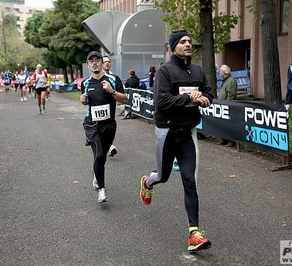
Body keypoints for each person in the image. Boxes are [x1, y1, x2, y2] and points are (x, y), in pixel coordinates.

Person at [139, 30, 213, 251]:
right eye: (182, 42)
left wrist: (205, 100)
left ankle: (194, 234)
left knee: (190, 181)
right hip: (167, 132)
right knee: (163, 176)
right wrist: (189, 97)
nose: (188, 44)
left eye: (189, 41)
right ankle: (148, 182)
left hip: (188, 133)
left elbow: (209, 92)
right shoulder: (165, 71)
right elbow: (161, 101)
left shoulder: (199, 71)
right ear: (173, 47)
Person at [80, 51, 126, 203]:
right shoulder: (85, 83)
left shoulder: (113, 80)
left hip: (109, 125)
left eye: (97, 60)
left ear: (102, 63)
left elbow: (124, 100)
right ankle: (101, 189)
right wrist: (83, 99)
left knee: (102, 157)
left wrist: (111, 91)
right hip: (92, 124)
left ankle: (96, 173)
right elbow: (84, 101)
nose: (94, 63)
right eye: (91, 60)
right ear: (88, 65)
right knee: (99, 155)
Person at [103, 55, 120, 157]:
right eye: (105, 61)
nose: (107, 63)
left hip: (111, 106)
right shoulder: (97, 76)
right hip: (99, 107)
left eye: (108, 61)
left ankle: (111, 146)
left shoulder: (114, 77)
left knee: (110, 126)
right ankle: (107, 146)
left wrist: (113, 93)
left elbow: (121, 95)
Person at [217, 64, 237, 147]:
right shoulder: (226, 80)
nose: (219, 72)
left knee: (228, 124)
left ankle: (231, 140)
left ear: (224, 73)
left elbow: (231, 95)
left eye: (220, 71)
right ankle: (224, 139)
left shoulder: (231, 81)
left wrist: (227, 105)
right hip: (223, 106)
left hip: (227, 107)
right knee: (222, 123)